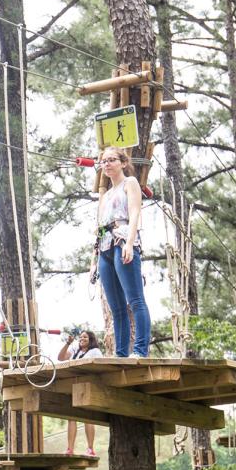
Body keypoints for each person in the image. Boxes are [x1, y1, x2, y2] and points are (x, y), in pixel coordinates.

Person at [95, 146, 150, 357]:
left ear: (123, 163)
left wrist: (129, 242)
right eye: (104, 161)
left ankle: (140, 350)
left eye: (111, 160)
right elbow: (99, 227)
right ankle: (120, 354)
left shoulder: (130, 183)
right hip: (105, 246)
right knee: (116, 308)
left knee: (135, 300)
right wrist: (94, 260)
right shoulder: (106, 195)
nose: (107, 164)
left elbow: (135, 213)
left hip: (122, 239)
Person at [57, 329, 103, 456]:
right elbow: (60, 358)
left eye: (85, 337)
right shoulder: (74, 350)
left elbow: (100, 368)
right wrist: (67, 343)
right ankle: (70, 449)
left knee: (88, 417)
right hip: (73, 386)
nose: (82, 339)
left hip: (88, 386)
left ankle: (90, 448)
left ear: (91, 340)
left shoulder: (95, 352)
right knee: (71, 417)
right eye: (81, 337)